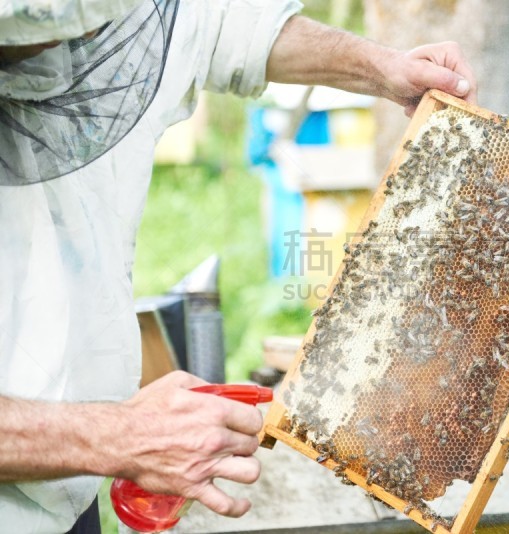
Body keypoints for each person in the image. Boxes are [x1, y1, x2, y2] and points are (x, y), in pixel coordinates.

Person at [0, 0, 477, 532]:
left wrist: (384, 66)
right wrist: (117, 436)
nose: (61, 50)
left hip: (69, 488)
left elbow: (214, 23)